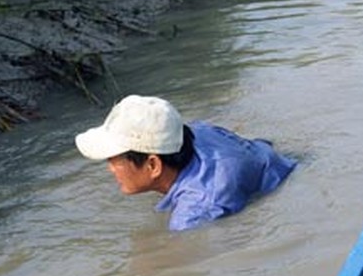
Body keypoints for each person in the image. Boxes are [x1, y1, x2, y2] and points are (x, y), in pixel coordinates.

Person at [75, 94, 296, 231]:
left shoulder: (193, 215)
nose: (110, 168)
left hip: (288, 182)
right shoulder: (194, 132)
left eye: (114, 160)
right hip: (275, 158)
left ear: (153, 165)